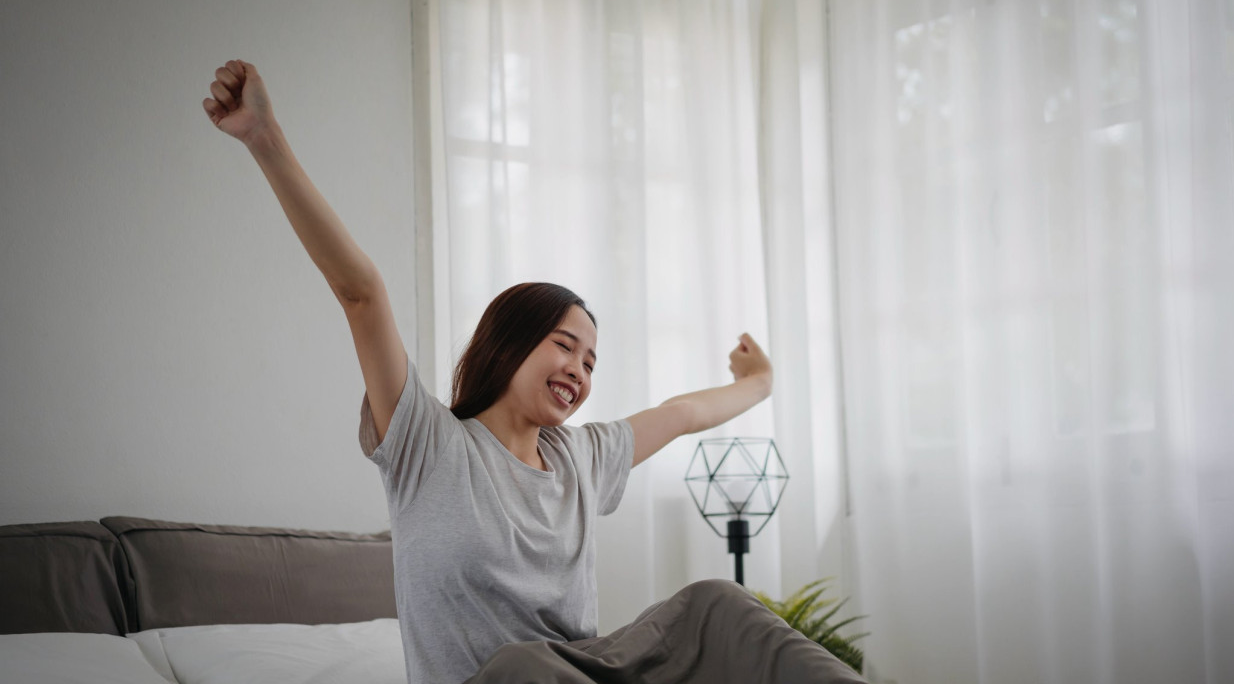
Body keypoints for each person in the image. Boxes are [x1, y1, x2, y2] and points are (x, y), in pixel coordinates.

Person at [202, 60, 811, 683]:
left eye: (591, 361)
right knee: (521, 664)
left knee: (718, 604)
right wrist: (264, 139)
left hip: (581, 676)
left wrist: (760, 383)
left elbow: (683, 415)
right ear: (511, 342)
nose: (579, 368)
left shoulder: (582, 461)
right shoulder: (426, 446)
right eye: (565, 345)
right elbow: (361, 293)